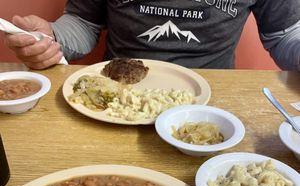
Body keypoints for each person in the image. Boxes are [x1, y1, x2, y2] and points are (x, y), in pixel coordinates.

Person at [4, 0, 300, 70]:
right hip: (114, 96)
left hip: (212, 103)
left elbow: (284, 35)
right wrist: (52, 37)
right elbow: (84, 22)